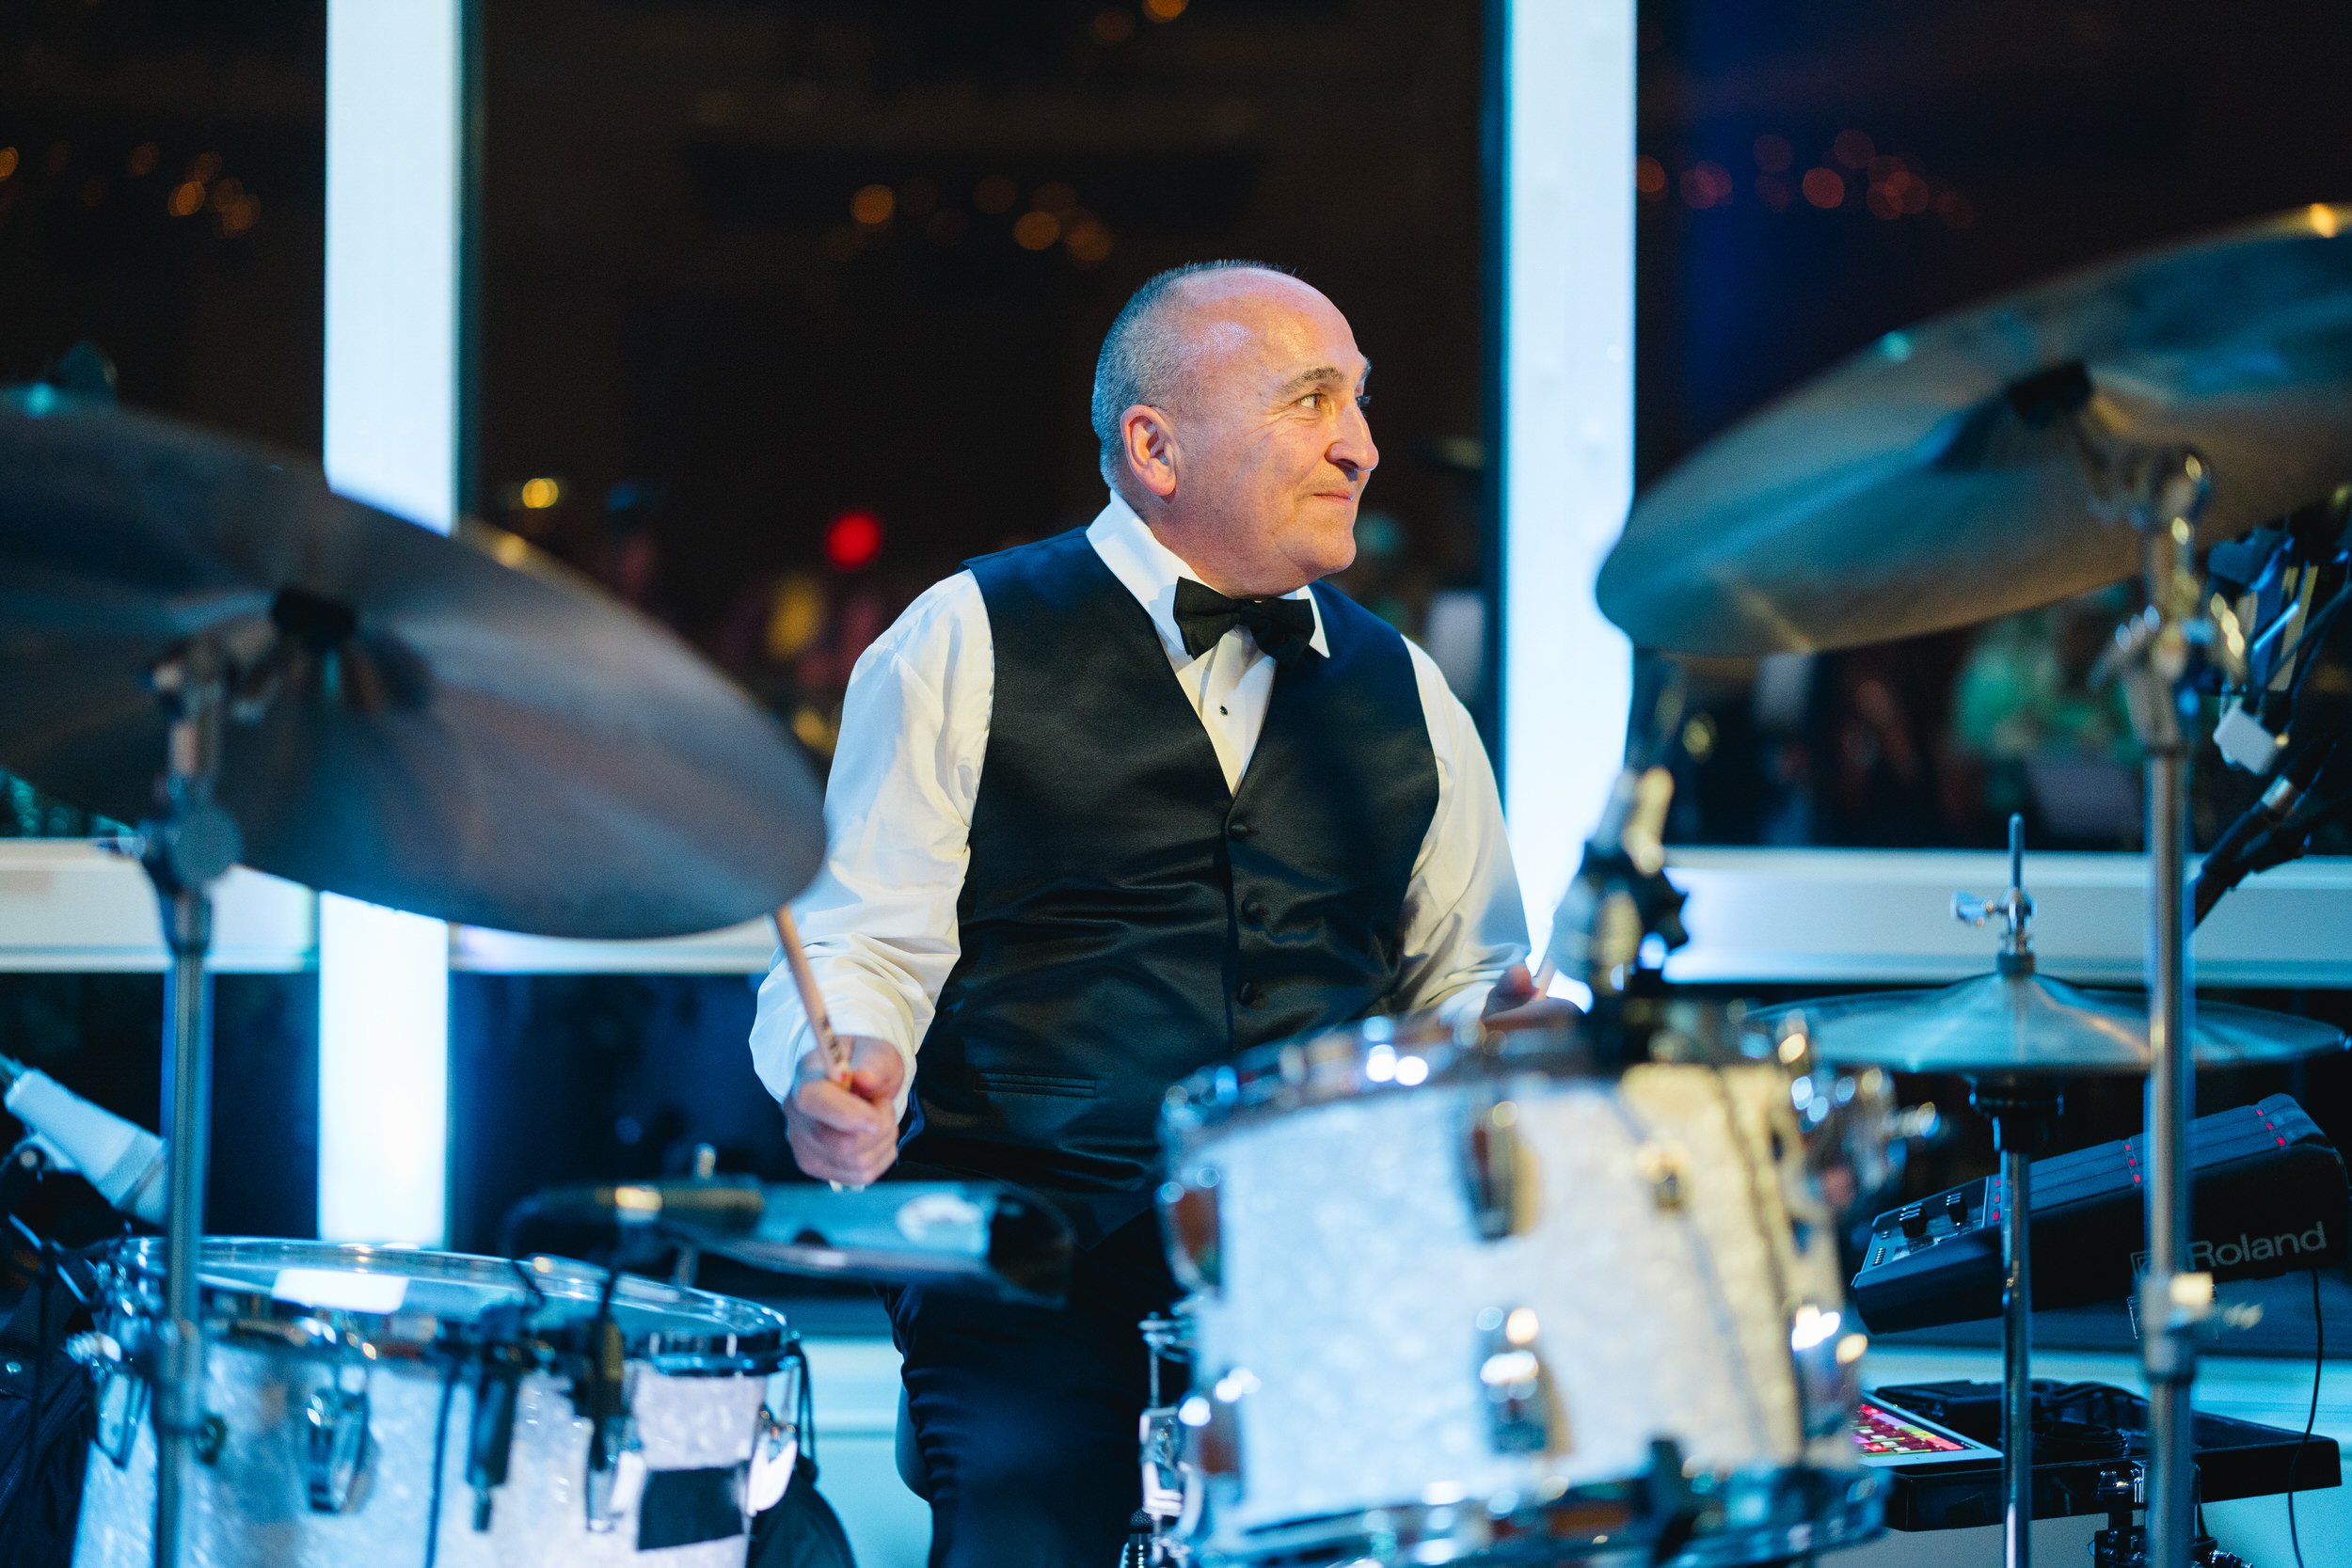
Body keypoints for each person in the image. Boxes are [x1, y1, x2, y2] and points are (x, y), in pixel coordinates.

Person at [750, 261, 1528, 1567]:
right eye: (1313, 400)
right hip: (1025, 1269)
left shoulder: (1413, 694)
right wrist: (843, 1069)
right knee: (1029, 1510)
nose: (1363, 446)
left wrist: (1506, 1046)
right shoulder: (964, 638)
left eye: (1363, 402)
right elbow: (858, 940)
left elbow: (1464, 985)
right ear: (1156, 447)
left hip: (1318, 1271)